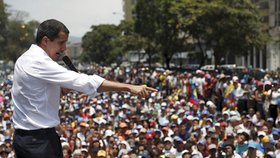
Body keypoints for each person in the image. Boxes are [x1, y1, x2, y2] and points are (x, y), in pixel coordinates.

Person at [11, 19, 157, 158]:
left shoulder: (25, 58)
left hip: (31, 139)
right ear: (45, 41)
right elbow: (86, 82)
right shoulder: (38, 61)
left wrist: (62, 91)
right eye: (61, 43)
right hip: (38, 142)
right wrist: (129, 87)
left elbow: (35, 97)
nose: (64, 48)